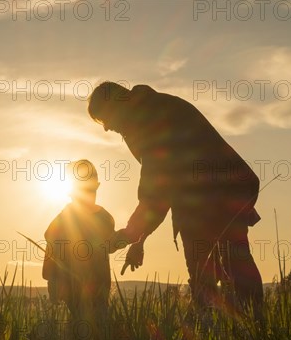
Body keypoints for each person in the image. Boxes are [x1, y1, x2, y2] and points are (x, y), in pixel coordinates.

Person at [87, 81, 264, 315]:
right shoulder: (150, 110)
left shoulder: (149, 121)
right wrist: (140, 239)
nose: (106, 128)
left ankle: (235, 326)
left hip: (214, 195)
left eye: (104, 118)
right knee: (225, 263)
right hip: (217, 192)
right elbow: (162, 186)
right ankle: (245, 325)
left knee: (216, 267)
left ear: (115, 106)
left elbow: (157, 192)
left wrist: (127, 235)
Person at [42, 159, 115, 322]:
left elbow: (110, 244)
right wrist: (53, 280)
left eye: (91, 190)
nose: (89, 196)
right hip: (72, 294)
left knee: (97, 328)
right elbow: (50, 251)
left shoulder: (105, 218)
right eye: (84, 191)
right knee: (78, 329)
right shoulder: (63, 220)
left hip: (99, 293)